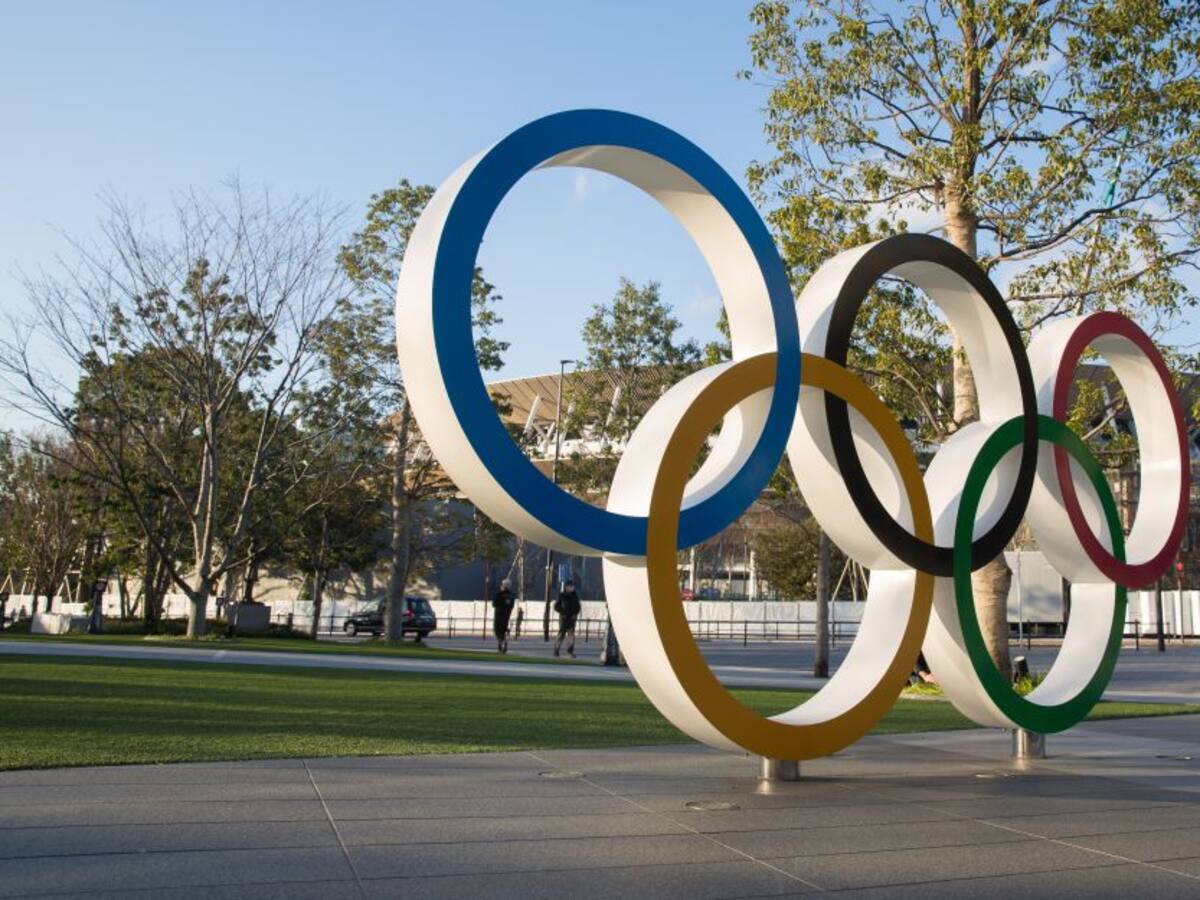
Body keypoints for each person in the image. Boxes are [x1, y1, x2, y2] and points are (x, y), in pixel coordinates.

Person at [554, 580, 582, 658]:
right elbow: (556, 607)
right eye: (570, 586)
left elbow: (578, 607)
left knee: (571, 636)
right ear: (566, 587)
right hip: (564, 619)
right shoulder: (561, 595)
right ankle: (556, 650)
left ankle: (569, 651)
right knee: (561, 635)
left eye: (572, 586)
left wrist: (574, 614)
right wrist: (563, 613)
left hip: (571, 619)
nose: (571, 588)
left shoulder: (575, 596)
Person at [492, 579, 516, 654]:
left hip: (499, 615)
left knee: (498, 631)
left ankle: (500, 645)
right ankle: (504, 642)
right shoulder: (512, 595)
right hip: (507, 615)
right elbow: (512, 606)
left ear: (503, 586)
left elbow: (494, 604)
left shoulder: (499, 594)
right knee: (503, 630)